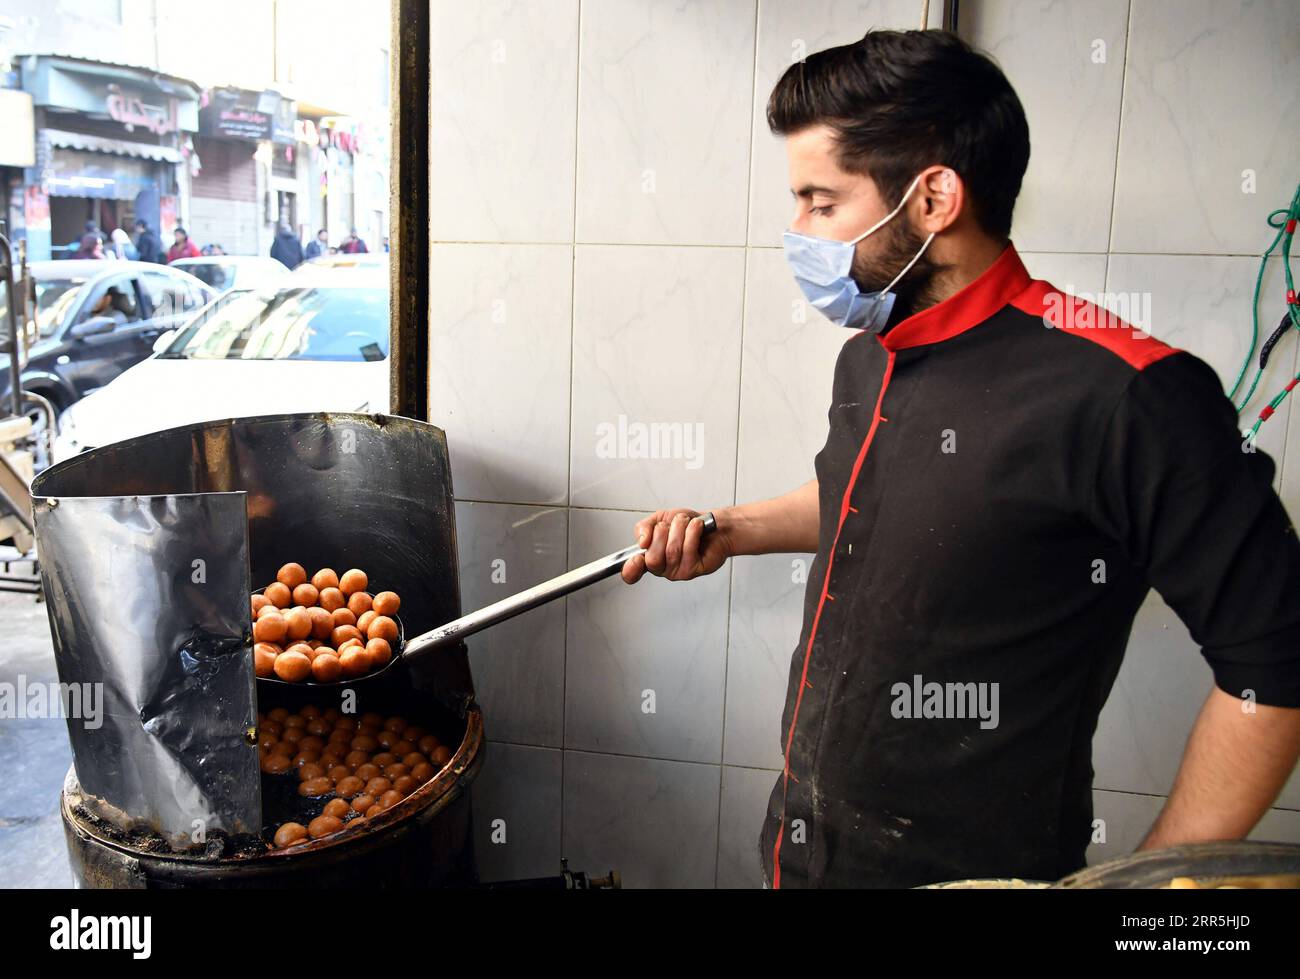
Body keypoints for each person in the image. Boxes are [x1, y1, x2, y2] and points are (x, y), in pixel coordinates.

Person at [621, 30, 1300, 889]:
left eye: (820, 203)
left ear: (934, 197)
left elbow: (1276, 666)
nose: (796, 231)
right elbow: (867, 497)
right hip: (807, 856)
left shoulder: (1128, 392)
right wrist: (732, 527)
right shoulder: (874, 351)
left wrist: (1146, 896)